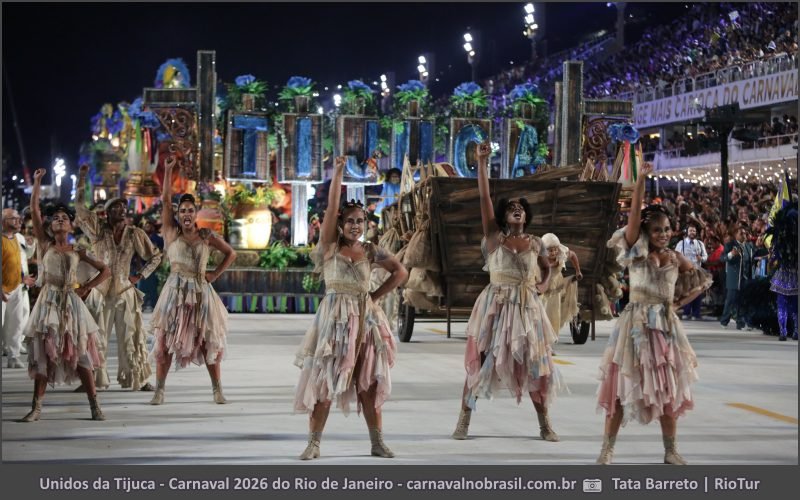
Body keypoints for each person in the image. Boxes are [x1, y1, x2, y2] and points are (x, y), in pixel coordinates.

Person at [294, 156, 408, 460]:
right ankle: (314, 442)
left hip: (366, 320)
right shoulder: (330, 248)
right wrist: (340, 174)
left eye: (360, 221)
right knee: (327, 380)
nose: (355, 226)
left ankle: (377, 441)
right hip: (335, 320)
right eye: (350, 221)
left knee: (368, 381)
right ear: (341, 225)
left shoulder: (371, 250)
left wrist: (375, 296)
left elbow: (400, 272)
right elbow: (331, 208)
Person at [596, 163, 711, 465]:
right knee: (621, 388)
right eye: (657, 229)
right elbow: (634, 216)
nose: (664, 234)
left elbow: (701, 280)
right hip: (634, 326)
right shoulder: (637, 251)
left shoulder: (675, 257)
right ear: (646, 231)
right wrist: (642, 180)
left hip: (665, 330)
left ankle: (670, 450)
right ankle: (607, 449)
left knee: (667, 391)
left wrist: (677, 304)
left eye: (667, 229)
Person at [451, 142, 564, 443]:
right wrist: (482, 162)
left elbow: (548, 270)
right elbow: (485, 197)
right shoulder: (494, 238)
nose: (517, 209)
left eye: (521, 208)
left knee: (536, 365)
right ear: (504, 215)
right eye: (511, 207)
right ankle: (464, 420)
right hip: (496, 305)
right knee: (481, 360)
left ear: (526, 216)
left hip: (527, 308)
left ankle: (545, 424)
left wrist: (542, 284)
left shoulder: (536, 243)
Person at [18, 168, 111, 422]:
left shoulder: (78, 249)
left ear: (71, 225)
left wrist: (87, 287)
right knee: (44, 355)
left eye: (64, 218)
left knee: (81, 353)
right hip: (48, 303)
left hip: (71, 302)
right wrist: (37, 182)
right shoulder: (45, 243)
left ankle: (94, 405)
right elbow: (35, 211)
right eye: (56, 217)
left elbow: (106, 270)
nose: (59, 220)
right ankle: (36, 407)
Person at [149, 158, 236, 405]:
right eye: (182, 211)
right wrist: (167, 170)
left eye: (190, 210)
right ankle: (160, 390)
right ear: (177, 215)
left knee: (210, 341)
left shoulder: (206, 236)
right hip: (175, 292)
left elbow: (231, 253)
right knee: (164, 342)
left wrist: (214, 275)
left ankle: (217, 389)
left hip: (201, 292)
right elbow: (165, 201)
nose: (186, 214)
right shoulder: (170, 233)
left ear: (196, 213)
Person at [75, 164, 163, 392]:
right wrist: (82, 179)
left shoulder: (136, 234)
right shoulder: (97, 231)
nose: (122, 210)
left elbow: (155, 257)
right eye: (116, 207)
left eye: (124, 207)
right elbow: (79, 208)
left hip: (125, 291)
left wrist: (140, 276)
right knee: (96, 337)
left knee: (132, 338)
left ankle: (139, 379)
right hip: (100, 291)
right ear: (107, 213)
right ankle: (93, 379)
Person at [2, 208, 36, 368]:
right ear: (4, 221)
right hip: (3, 288)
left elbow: (24, 258)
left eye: (18, 218)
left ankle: (13, 356)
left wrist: (31, 245)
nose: (18, 221)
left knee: (16, 322)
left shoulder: (19, 237)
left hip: (18, 285)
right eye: (13, 218)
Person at [539, 233, 583, 338]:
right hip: (542, 290)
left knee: (554, 315)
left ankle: (551, 341)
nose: (554, 252)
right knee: (541, 316)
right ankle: (541, 342)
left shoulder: (562, 254)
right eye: (550, 250)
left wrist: (578, 271)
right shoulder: (539, 257)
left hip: (555, 290)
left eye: (555, 249)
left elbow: (572, 255)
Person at [767, 203, 798, 341]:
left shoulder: (780, 239)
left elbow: (773, 259)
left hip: (782, 277)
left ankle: (783, 332)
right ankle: (796, 332)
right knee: (796, 307)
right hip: (796, 277)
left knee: (782, 306)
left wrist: (772, 259)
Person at [720, 225, 755, 329]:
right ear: (735, 235)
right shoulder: (730, 245)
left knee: (743, 300)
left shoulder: (749, 246)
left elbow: (752, 259)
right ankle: (724, 321)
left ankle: (741, 323)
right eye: (741, 233)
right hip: (734, 278)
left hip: (746, 278)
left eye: (745, 233)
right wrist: (731, 254)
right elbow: (722, 258)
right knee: (730, 300)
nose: (744, 235)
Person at [674, 223, 708, 320]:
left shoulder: (700, 244)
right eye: (690, 231)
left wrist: (701, 258)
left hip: (698, 271)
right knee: (686, 292)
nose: (692, 232)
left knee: (697, 292)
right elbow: (676, 255)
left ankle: (696, 313)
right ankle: (686, 312)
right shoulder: (681, 243)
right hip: (686, 272)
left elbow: (706, 257)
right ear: (687, 232)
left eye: (694, 231)